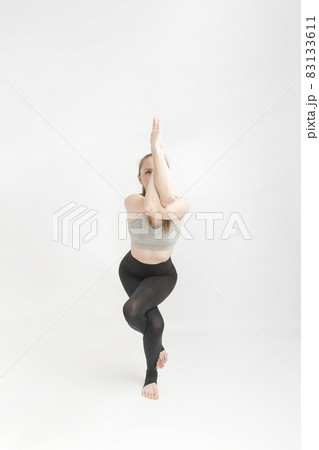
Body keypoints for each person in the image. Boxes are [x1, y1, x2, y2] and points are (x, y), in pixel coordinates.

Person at [118, 117, 190, 400]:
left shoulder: (182, 205)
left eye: (157, 171)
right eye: (146, 173)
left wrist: (155, 150)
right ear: (139, 178)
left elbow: (165, 203)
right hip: (131, 270)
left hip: (162, 275)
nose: (151, 177)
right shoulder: (132, 201)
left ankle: (152, 376)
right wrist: (154, 151)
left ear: (166, 174)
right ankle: (156, 353)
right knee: (147, 319)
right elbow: (150, 208)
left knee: (139, 315)